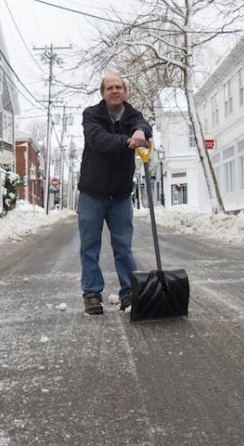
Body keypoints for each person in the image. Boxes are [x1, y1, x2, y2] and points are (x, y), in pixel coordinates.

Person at [77, 73, 152, 315]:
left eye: (119, 87)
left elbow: (143, 125)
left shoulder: (132, 116)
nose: (115, 91)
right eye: (110, 88)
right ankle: (91, 293)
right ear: (103, 93)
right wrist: (128, 141)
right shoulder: (91, 115)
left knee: (123, 247)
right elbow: (98, 140)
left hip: (120, 196)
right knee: (90, 246)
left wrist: (140, 132)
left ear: (125, 92)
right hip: (91, 194)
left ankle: (129, 293)